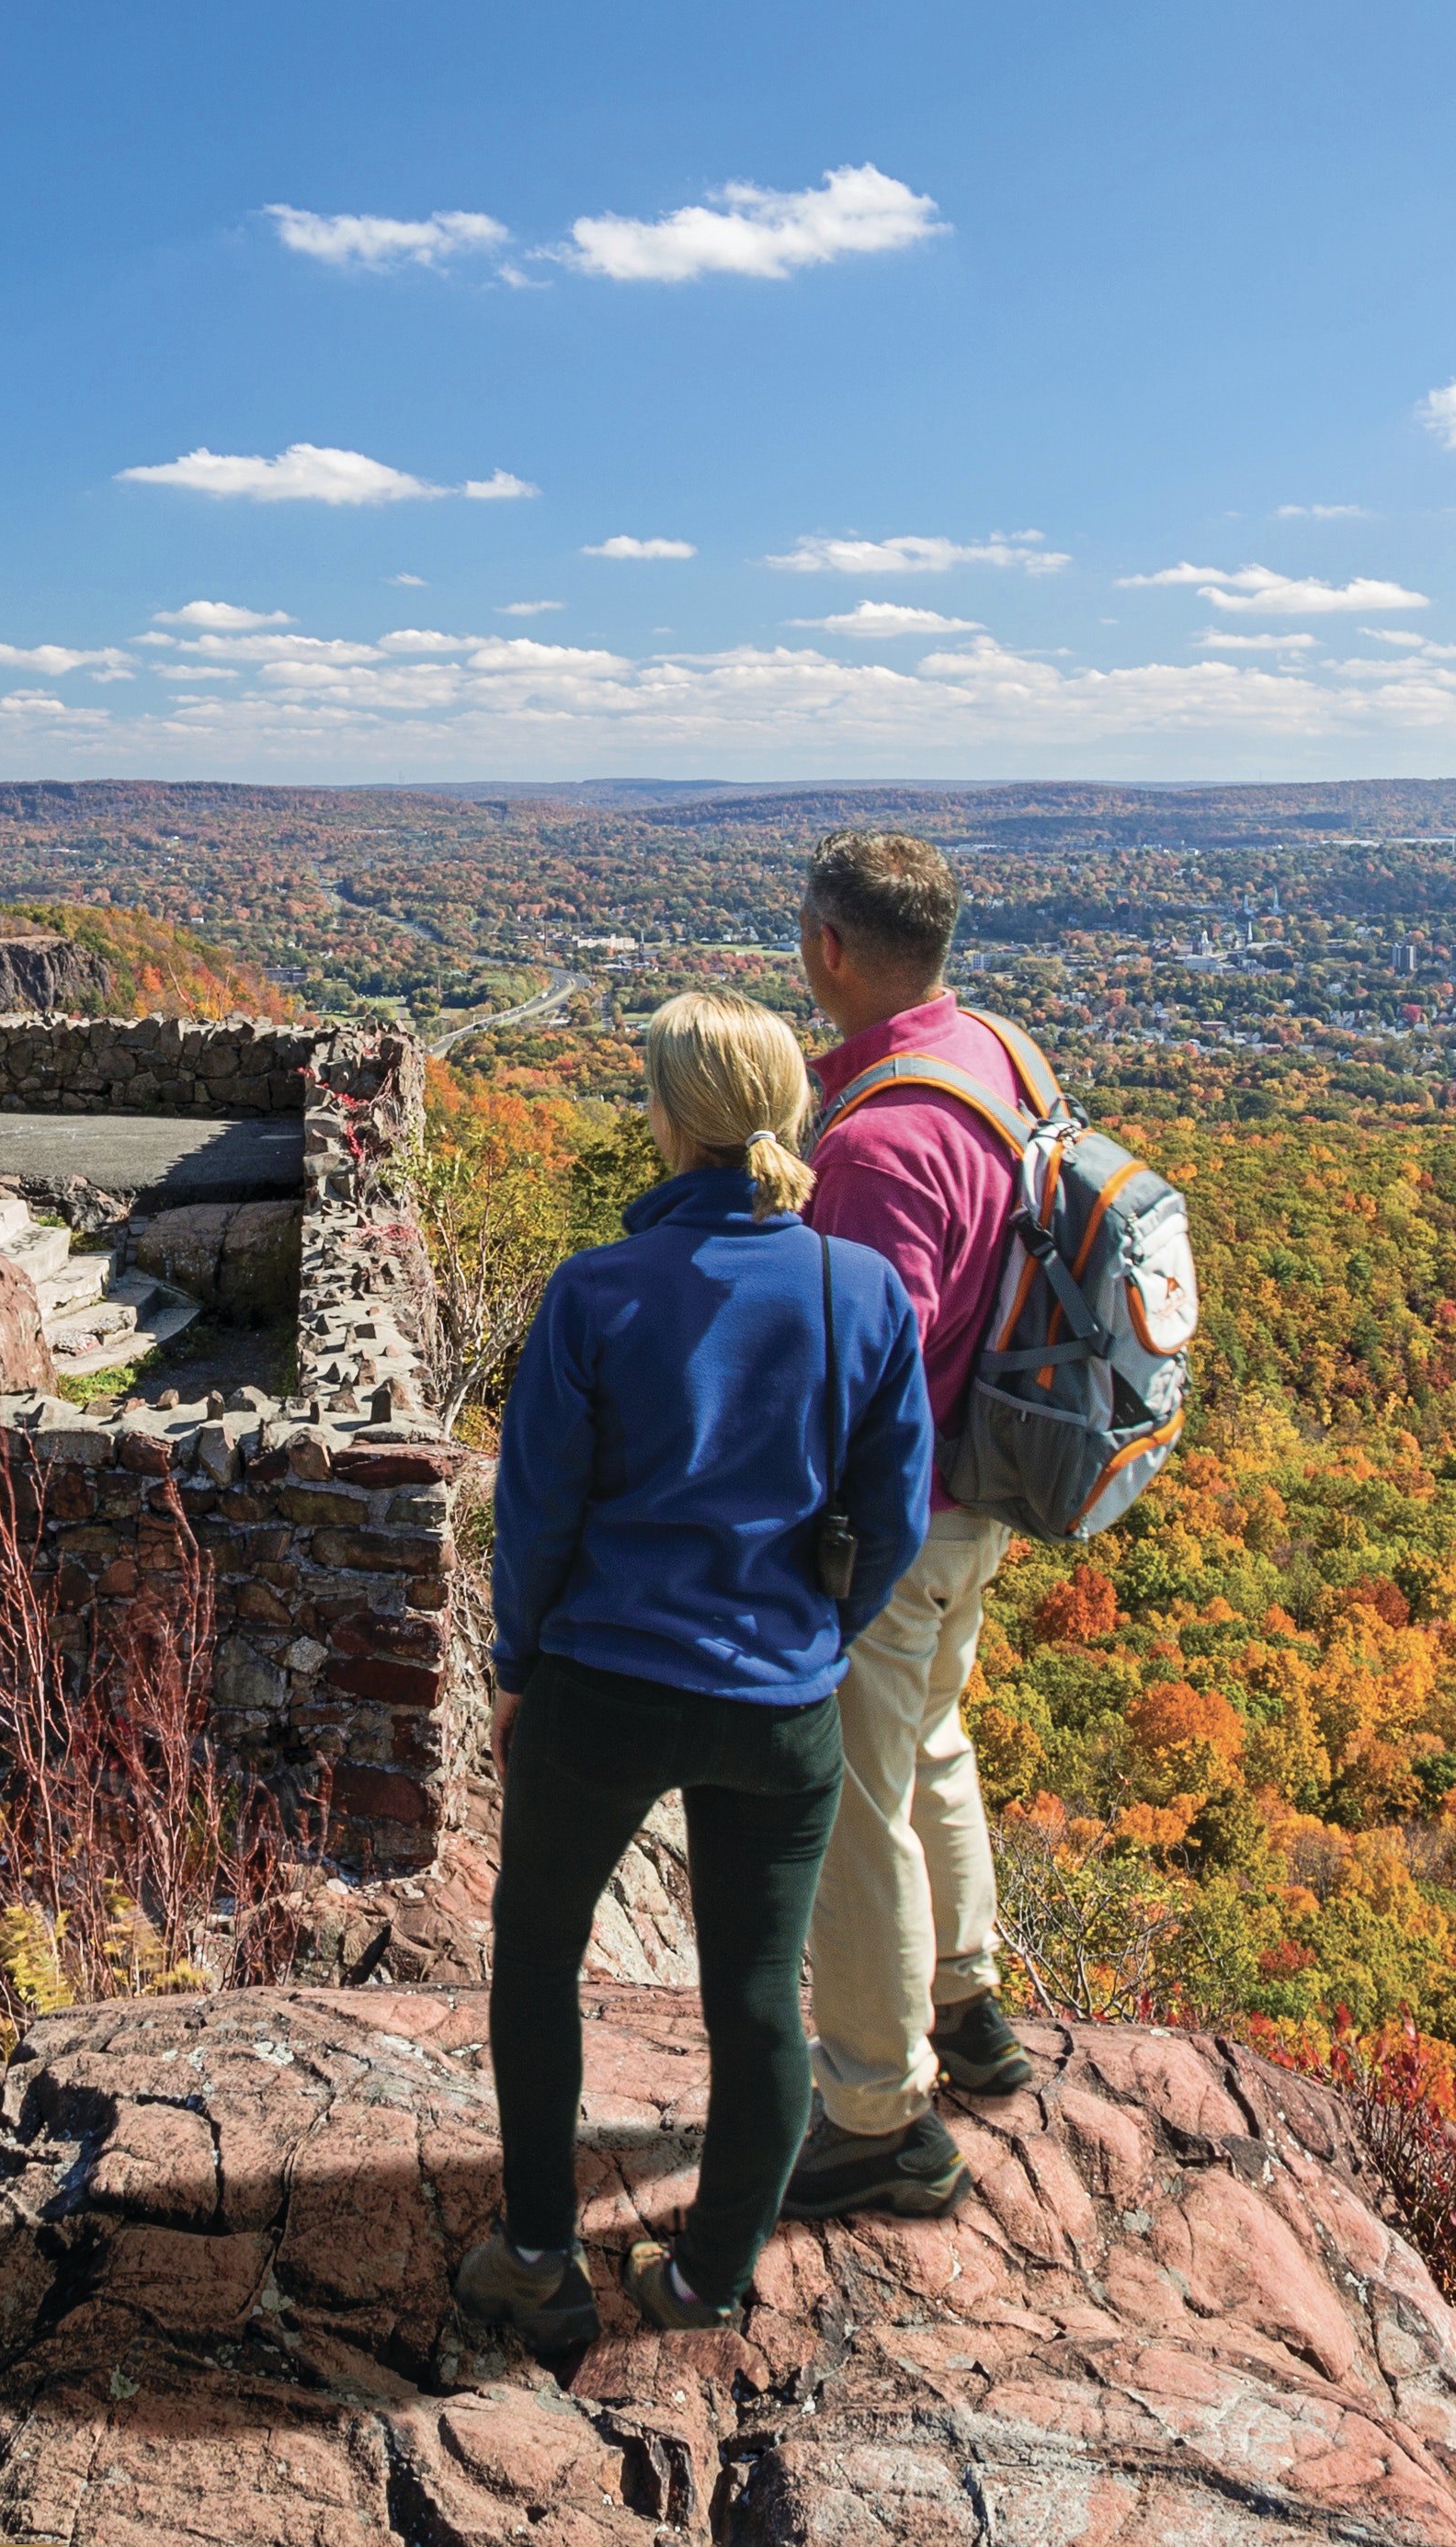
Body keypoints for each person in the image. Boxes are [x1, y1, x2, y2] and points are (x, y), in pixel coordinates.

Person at [455, 988, 934, 2359]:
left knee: (537, 1956)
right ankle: (706, 2281)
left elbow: (535, 1513)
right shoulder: (861, 1291)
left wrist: (514, 1665)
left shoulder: (599, 1290)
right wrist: (819, 1638)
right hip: (779, 1705)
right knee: (757, 1993)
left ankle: (537, 2256)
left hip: (601, 1685)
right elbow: (896, 1516)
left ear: (669, 1117)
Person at [786, 828, 1047, 2221]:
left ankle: (879, 2116)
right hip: (981, 1495)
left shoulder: (878, 1142)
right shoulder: (995, 1053)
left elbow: (850, 1377)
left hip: (896, 1524)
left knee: (851, 1806)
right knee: (933, 1739)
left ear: (829, 947)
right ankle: (967, 2007)